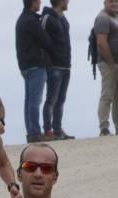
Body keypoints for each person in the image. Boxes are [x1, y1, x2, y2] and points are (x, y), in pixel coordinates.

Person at [15, 0, 53, 143]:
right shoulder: (32, 20)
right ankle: (35, 132)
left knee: (29, 100)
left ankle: (31, 131)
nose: (40, 3)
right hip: (36, 63)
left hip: (25, 64)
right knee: (35, 100)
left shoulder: (22, 19)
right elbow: (46, 41)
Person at [94, 0, 118, 136]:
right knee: (107, 95)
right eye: (111, 1)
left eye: (116, 1)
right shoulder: (102, 18)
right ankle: (104, 127)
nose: (114, 4)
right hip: (108, 63)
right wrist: (111, 62)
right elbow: (101, 42)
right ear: (105, 3)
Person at [42, 0, 74, 140]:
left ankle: (57, 129)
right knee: (51, 99)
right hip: (54, 65)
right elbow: (41, 40)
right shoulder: (47, 18)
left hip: (66, 64)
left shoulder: (63, 19)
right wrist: (47, 61)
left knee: (61, 99)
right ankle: (48, 130)